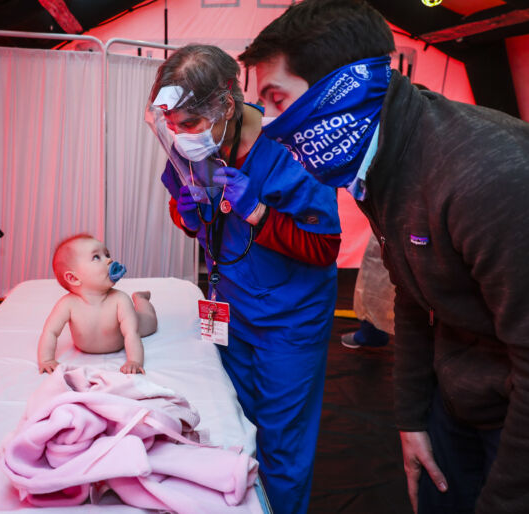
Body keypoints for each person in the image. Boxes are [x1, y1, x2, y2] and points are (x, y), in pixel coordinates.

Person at [239, 1, 529, 513]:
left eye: (277, 100)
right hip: (473, 388)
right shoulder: (383, 156)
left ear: (343, 89)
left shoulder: (485, 179)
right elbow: (415, 293)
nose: (269, 125)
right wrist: (413, 418)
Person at [147, 44, 341, 514]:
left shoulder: (294, 151)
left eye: (189, 124)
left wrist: (257, 212)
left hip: (286, 323)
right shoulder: (201, 146)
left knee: (281, 445)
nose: (181, 136)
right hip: (229, 309)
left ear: (226, 107)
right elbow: (203, 223)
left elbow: (324, 248)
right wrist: (186, 212)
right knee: (232, 425)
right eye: (173, 126)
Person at [37, 234, 157, 375]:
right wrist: (46, 360)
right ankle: (139, 297)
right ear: (73, 278)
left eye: (107, 254)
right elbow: (50, 332)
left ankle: (140, 299)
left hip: (138, 324)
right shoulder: (67, 304)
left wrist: (134, 361)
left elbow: (132, 333)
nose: (109, 260)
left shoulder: (120, 300)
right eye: (96, 257)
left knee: (150, 322)